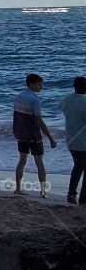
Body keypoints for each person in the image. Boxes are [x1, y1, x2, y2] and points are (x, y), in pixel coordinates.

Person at [12, 72, 55, 198]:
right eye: (38, 84)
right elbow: (39, 121)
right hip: (33, 135)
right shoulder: (34, 100)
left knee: (22, 160)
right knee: (39, 162)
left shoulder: (18, 96)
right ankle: (42, 191)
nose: (40, 87)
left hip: (21, 133)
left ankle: (18, 188)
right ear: (31, 84)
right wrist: (50, 137)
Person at [60, 76, 86, 205]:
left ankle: (72, 193)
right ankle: (82, 199)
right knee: (80, 167)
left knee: (78, 166)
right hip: (83, 142)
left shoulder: (67, 99)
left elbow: (63, 110)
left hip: (71, 140)